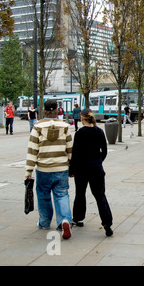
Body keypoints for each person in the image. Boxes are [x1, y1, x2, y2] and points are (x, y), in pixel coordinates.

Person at [25, 99, 73, 239]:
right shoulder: (64, 126)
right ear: (57, 110)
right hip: (61, 167)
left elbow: (32, 149)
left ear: (44, 110)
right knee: (62, 194)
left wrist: (28, 171)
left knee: (43, 195)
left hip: (43, 168)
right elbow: (70, 148)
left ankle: (45, 222)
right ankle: (64, 220)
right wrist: (71, 166)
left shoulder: (37, 127)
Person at [69, 108, 113, 237]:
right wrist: (98, 161)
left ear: (82, 119)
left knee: (80, 193)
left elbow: (75, 153)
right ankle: (107, 223)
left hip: (81, 168)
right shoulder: (99, 131)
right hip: (96, 168)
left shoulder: (79, 133)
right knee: (100, 196)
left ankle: (78, 218)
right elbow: (104, 150)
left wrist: (72, 170)